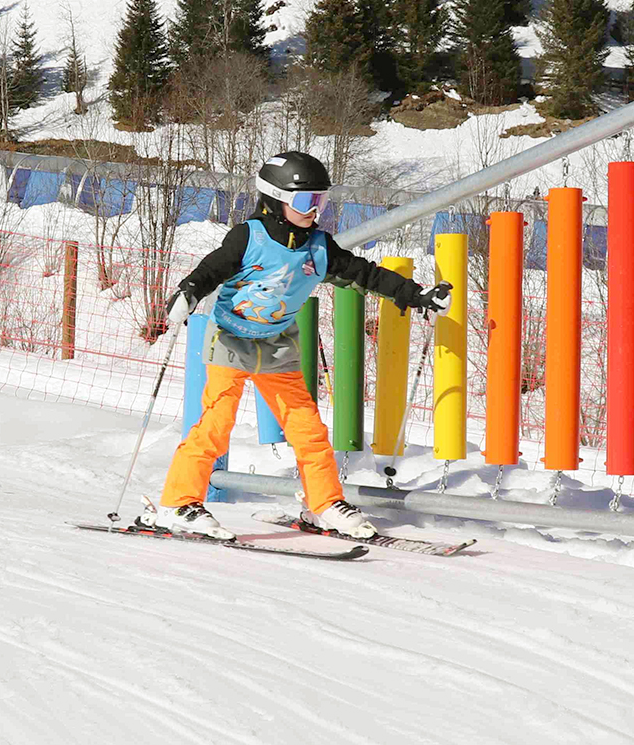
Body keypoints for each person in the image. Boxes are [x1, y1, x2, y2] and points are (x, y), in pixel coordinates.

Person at [153, 151, 451, 540]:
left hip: (277, 347)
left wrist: (415, 294)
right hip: (232, 341)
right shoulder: (249, 236)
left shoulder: (319, 247)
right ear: (276, 200)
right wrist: (189, 292)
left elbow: (365, 273)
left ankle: (323, 504)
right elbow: (213, 268)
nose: (315, 211)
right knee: (215, 424)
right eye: (306, 202)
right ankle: (179, 503)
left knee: (308, 430)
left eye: (321, 202)